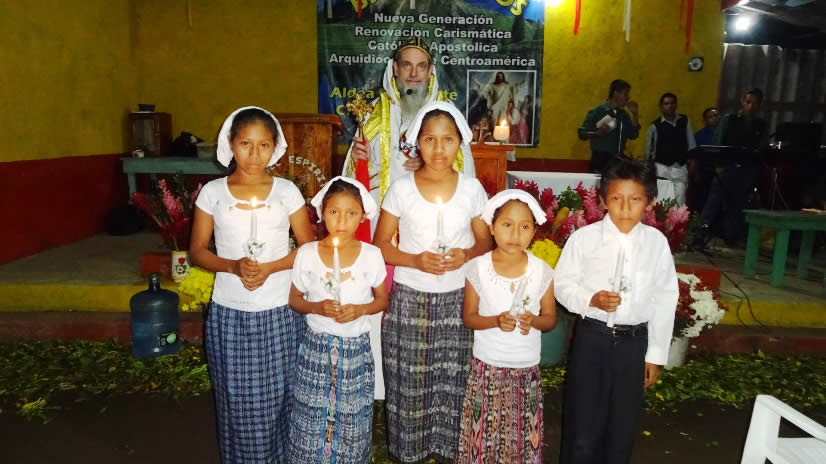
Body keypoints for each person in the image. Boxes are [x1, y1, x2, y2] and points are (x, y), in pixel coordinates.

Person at [190, 106, 314, 463]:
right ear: (231, 144)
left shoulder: (286, 191)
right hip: (231, 313)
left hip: (279, 311)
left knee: (283, 395)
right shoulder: (213, 193)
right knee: (238, 400)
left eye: (263, 145)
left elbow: (308, 248)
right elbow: (197, 251)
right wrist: (232, 265)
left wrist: (272, 267)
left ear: (275, 147)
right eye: (245, 143)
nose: (254, 154)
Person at [373, 101, 492, 463]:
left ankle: (450, 449)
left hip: (458, 296)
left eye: (447, 140)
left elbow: (485, 241)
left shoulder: (471, 189)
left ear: (460, 143)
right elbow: (381, 245)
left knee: (454, 378)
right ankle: (409, 451)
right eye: (430, 139)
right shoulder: (401, 189)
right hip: (411, 297)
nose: (439, 149)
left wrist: (465, 254)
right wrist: (415, 260)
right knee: (410, 380)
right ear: (417, 142)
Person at [555, 157, 678, 464]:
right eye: (616, 199)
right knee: (583, 422)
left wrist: (655, 354)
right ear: (602, 201)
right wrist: (590, 299)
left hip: (633, 344)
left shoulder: (656, 244)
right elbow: (562, 284)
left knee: (622, 423)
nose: (625, 208)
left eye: (635, 199)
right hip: (593, 339)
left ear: (650, 202)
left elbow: (664, 297)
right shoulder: (584, 239)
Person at [287, 176, 389, 463]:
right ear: (322, 212)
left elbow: (382, 300)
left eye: (351, 213)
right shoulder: (307, 254)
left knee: (350, 419)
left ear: (363, 216)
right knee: (312, 416)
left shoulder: (371, 255)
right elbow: (295, 299)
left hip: (355, 350)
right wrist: (317, 307)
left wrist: (360, 309)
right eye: (334, 211)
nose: (342, 220)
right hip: (316, 349)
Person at [456, 190, 557, 463]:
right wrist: (495, 321)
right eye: (507, 225)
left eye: (524, 227)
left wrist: (533, 320)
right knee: (484, 435)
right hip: (488, 365)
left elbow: (550, 318)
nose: (515, 234)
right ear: (491, 227)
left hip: (526, 367)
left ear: (533, 231)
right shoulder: (478, 268)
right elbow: (469, 317)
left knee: (520, 437)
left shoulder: (542, 271)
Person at [344, 38, 476, 220]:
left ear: (430, 71)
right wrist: (359, 161)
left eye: (421, 66)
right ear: (395, 68)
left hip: (433, 214)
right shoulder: (374, 112)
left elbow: (464, 167)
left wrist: (431, 166)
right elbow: (358, 174)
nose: (414, 74)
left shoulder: (447, 113)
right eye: (407, 65)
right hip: (383, 213)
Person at [695, 88, 768, 246]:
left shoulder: (761, 124)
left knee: (738, 205)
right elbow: (718, 142)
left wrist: (755, 170)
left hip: (747, 170)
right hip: (726, 167)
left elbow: (762, 149)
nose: (751, 106)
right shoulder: (730, 119)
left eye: (755, 103)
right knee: (714, 202)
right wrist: (718, 165)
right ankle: (700, 234)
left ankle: (731, 237)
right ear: (742, 101)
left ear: (760, 105)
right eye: (748, 102)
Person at [578, 79, 640, 172]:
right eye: (626, 94)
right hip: (600, 160)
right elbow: (581, 133)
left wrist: (635, 114)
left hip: (618, 159)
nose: (628, 97)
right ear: (615, 93)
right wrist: (597, 133)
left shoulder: (623, 115)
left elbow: (633, 135)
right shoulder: (598, 111)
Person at [645, 93, 696, 205]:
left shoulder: (685, 120)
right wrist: (650, 168)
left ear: (676, 105)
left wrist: (692, 161)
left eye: (672, 103)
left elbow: (691, 143)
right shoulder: (654, 126)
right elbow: (650, 150)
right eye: (666, 104)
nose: (670, 106)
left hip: (680, 167)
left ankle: (678, 217)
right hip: (661, 168)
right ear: (661, 106)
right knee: (662, 201)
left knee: (680, 200)